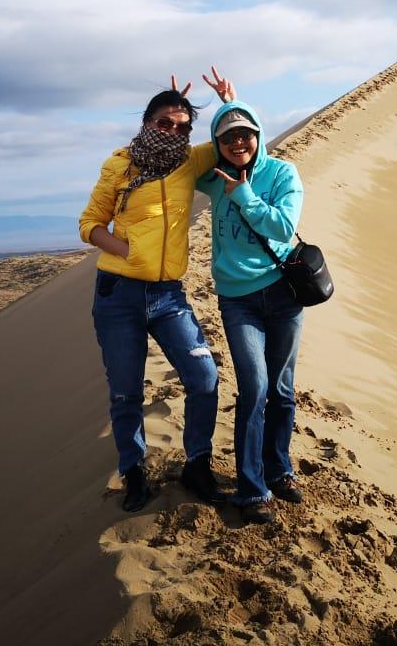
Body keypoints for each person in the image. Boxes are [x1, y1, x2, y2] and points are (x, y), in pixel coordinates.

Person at [79, 68, 235, 513]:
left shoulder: (191, 161)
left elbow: (233, 142)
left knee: (203, 377)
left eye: (183, 126)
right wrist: (127, 252)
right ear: (147, 121)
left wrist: (226, 102)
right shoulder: (119, 164)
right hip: (119, 294)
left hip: (168, 296)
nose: (173, 131)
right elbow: (89, 224)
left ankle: (198, 464)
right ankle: (134, 471)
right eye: (165, 122)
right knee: (126, 391)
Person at [196, 102, 305, 524]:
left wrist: (241, 193)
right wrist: (178, 118)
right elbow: (184, 163)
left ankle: (278, 469)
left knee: (281, 387)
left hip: (283, 295)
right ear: (217, 144)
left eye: (245, 134)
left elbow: (281, 226)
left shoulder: (282, 173)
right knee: (255, 386)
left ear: (258, 134)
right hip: (237, 299)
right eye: (227, 137)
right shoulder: (211, 176)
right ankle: (251, 487)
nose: (238, 142)